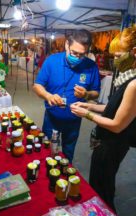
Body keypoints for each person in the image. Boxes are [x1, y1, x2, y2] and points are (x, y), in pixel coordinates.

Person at [70, 25, 136, 211]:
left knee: (103, 189)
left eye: (117, 55)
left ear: (134, 52)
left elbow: (116, 125)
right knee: (100, 183)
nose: (114, 60)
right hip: (107, 141)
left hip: (112, 144)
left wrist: (87, 114)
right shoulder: (127, 78)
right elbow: (114, 108)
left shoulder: (133, 84)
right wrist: (88, 104)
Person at [33, 29, 100, 162]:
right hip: (52, 119)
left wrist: (86, 94)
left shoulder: (91, 66)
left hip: (74, 120)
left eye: (82, 54)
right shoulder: (52, 61)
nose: (77, 58)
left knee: (68, 155)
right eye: (74, 53)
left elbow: (96, 92)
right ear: (66, 45)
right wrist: (48, 96)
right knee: (47, 152)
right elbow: (37, 86)